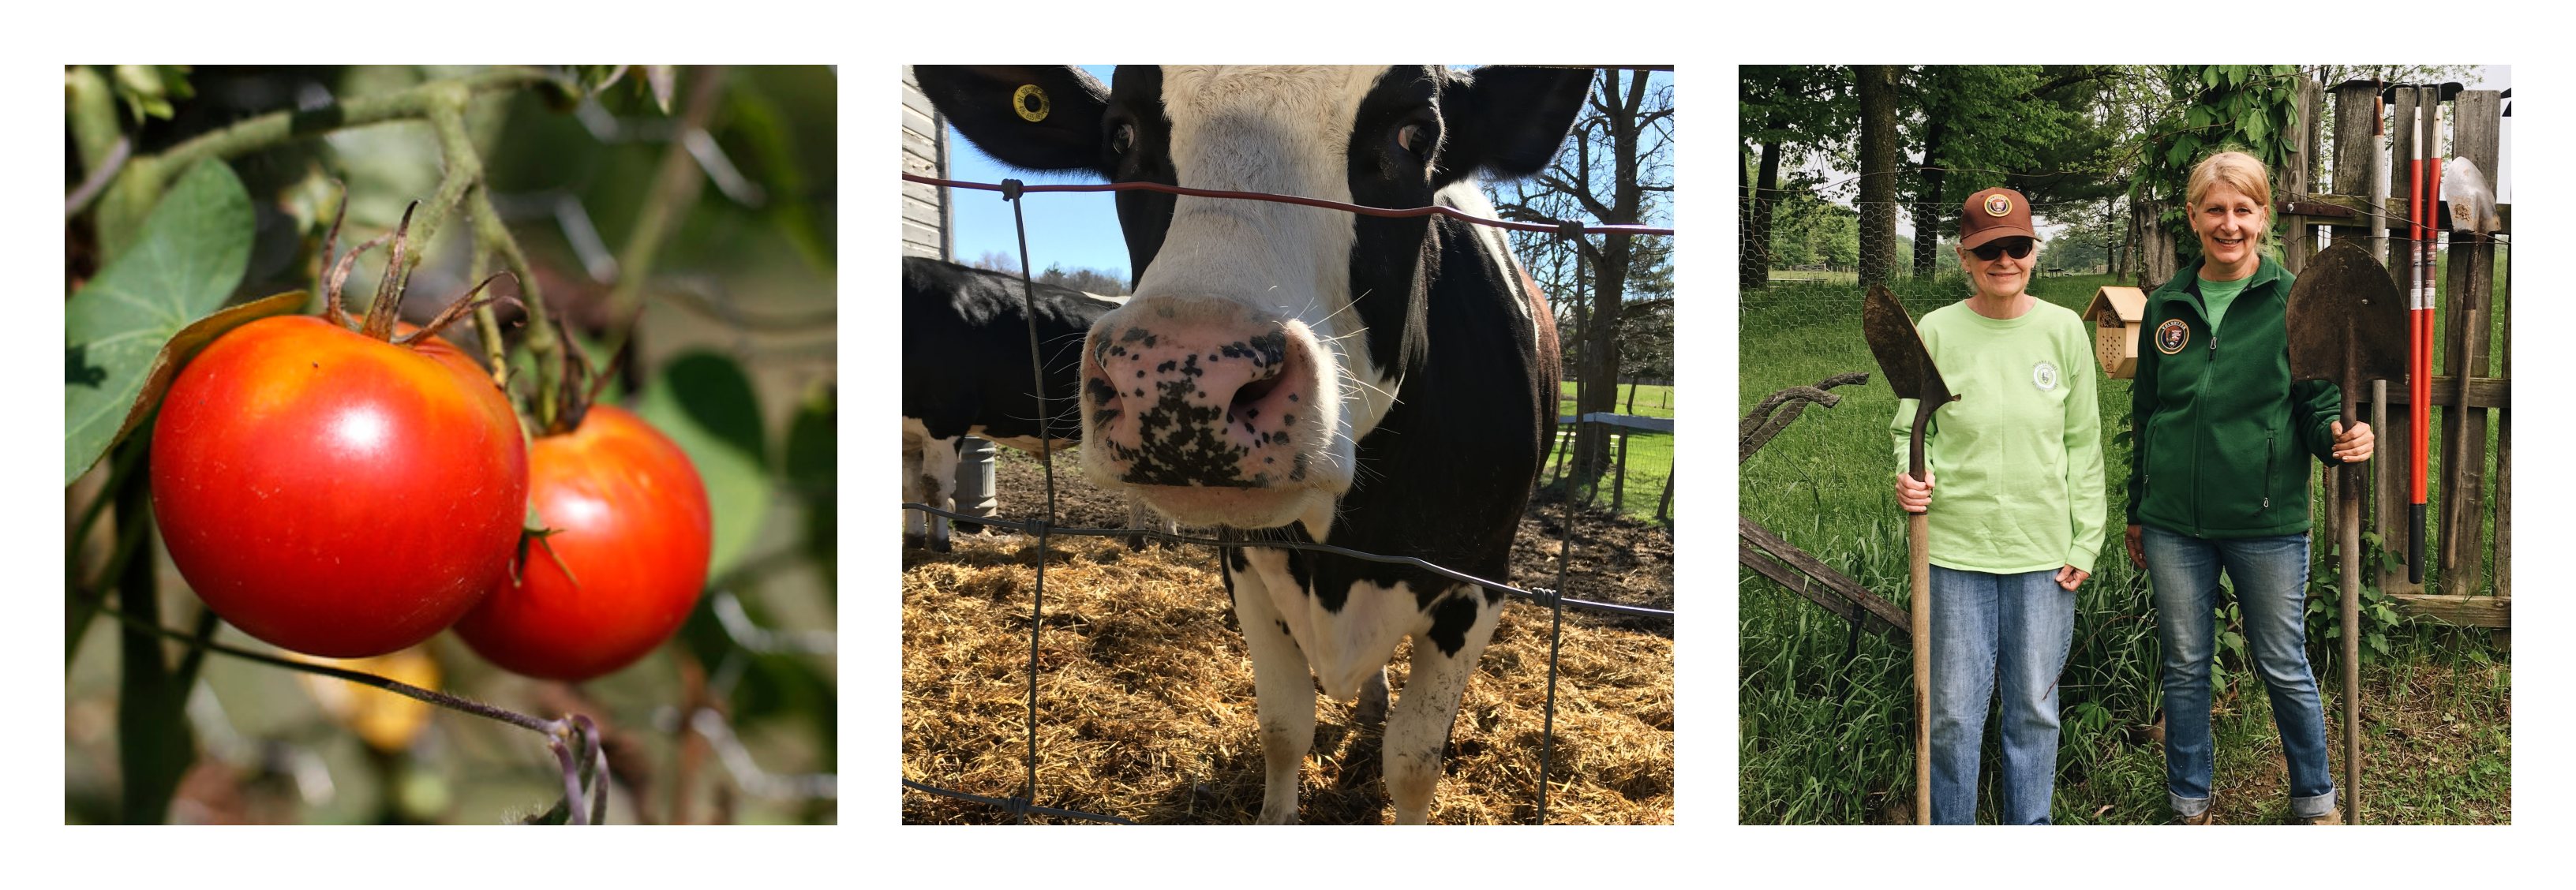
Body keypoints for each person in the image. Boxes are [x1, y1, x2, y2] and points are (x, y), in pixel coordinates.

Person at [2124, 149, 2374, 825]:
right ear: (2193, 217)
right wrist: (2137, 511)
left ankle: (2315, 799)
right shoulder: (2167, 307)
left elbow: (2318, 406)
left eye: (2242, 210)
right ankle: (2188, 800)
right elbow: (2146, 416)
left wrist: (2340, 439)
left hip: (2266, 521)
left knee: (2282, 662)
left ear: (2263, 216)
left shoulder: (2296, 300)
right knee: (2184, 666)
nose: (2228, 224)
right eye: (2215, 210)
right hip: (2174, 521)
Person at [1892, 186, 2103, 825]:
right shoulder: (1936, 330)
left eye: (2016, 247)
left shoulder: (2064, 330)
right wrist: (1907, 479)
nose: (2004, 260)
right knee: (1953, 711)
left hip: (2043, 555)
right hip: (1955, 550)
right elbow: (1909, 428)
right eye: (1989, 250)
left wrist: (2085, 540)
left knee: (2034, 709)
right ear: (1964, 256)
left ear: (2033, 252)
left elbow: (2084, 443)